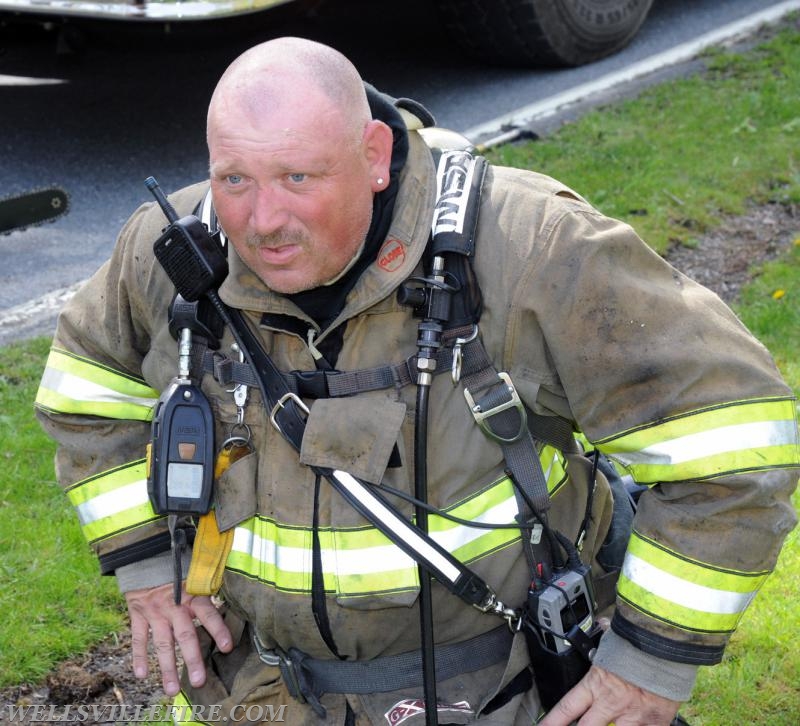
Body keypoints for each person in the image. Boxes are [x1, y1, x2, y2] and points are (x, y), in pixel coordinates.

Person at [35, 36, 799, 726]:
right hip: (259, 695)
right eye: (234, 178)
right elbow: (85, 390)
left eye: (297, 176)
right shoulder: (174, 256)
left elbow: (736, 444)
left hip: (501, 692)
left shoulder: (531, 251)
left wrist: (645, 669)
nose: (261, 220)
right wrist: (142, 563)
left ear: (372, 155)